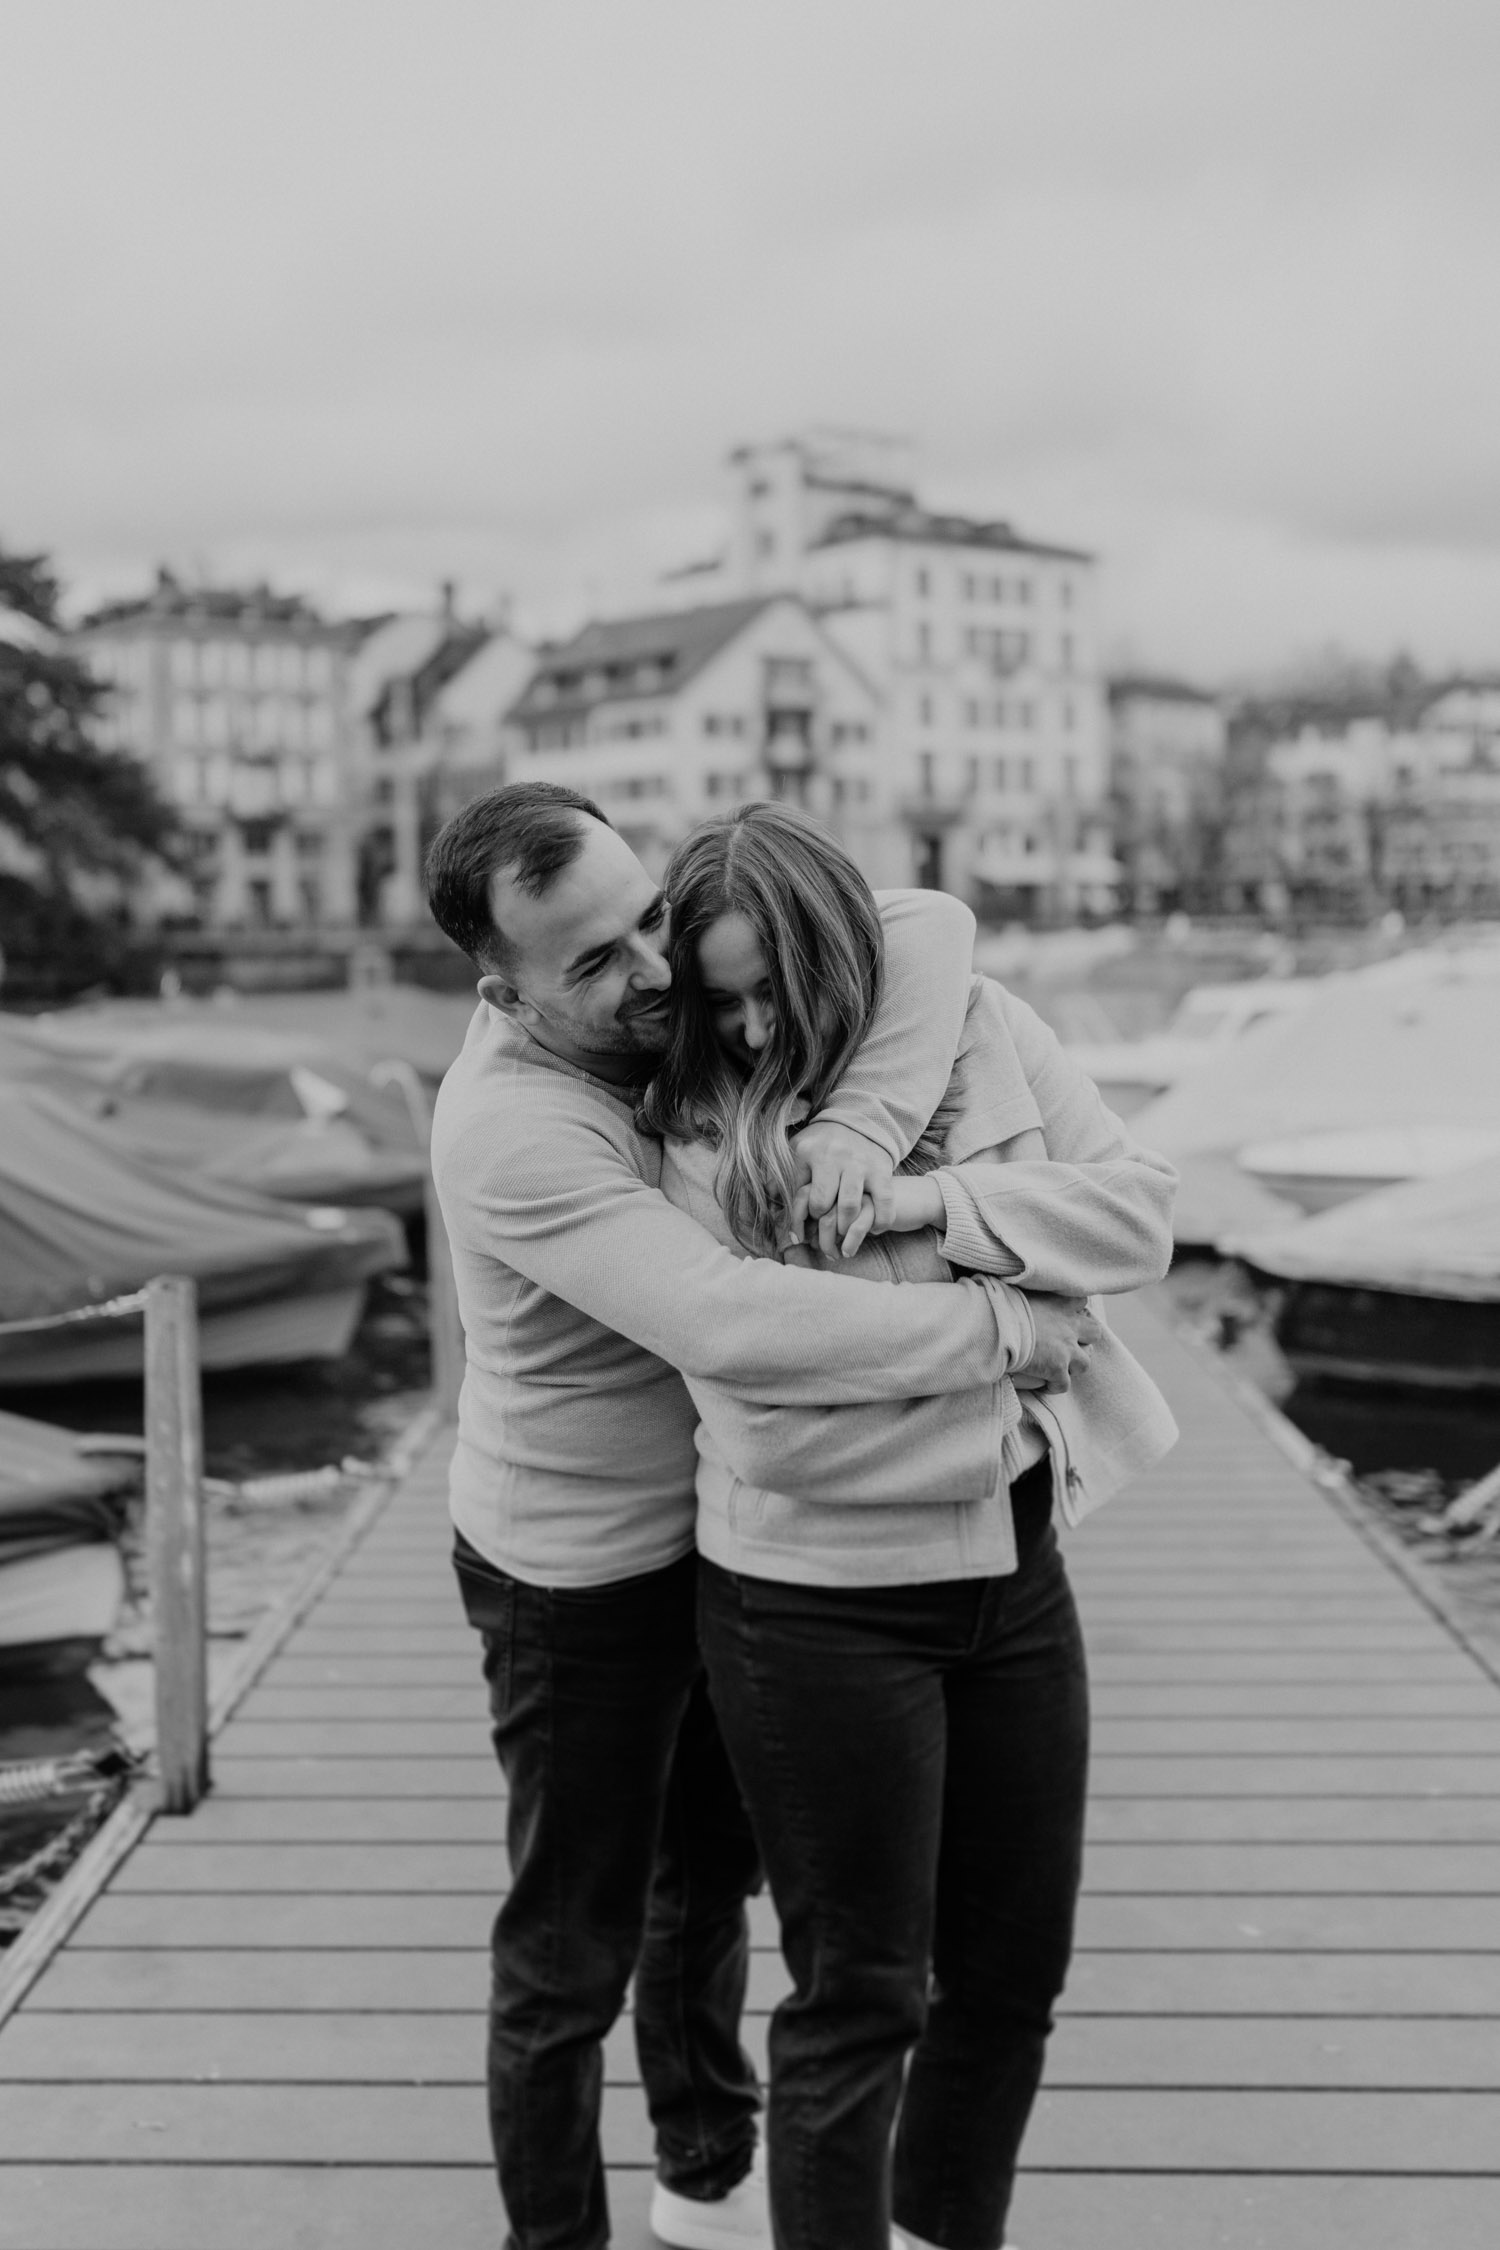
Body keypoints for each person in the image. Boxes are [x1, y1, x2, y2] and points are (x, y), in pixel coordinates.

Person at [424, 783, 1096, 2250]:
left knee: (704, 1871)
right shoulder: (513, 1131)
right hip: (578, 1565)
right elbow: (730, 1317)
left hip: (731, 1531)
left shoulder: (675, 992)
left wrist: (860, 1121)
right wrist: (1005, 1335)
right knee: (569, 1944)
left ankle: (705, 2166)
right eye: (591, 962)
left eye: (646, 917)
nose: (651, 973)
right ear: (504, 991)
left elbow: (918, 920)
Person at [641, 801, 1179, 2250]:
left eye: (777, 990)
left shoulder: (982, 1024)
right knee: (860, 2000)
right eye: (723, 998)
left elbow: (1138, 1221)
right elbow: (765, 1408)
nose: (753, 1031)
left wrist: (929, 1203)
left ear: (841, 964)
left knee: (1009, 1979)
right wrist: (1019, 1311)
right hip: (812, 1605)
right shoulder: (695, 1129)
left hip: (1016, 1566)